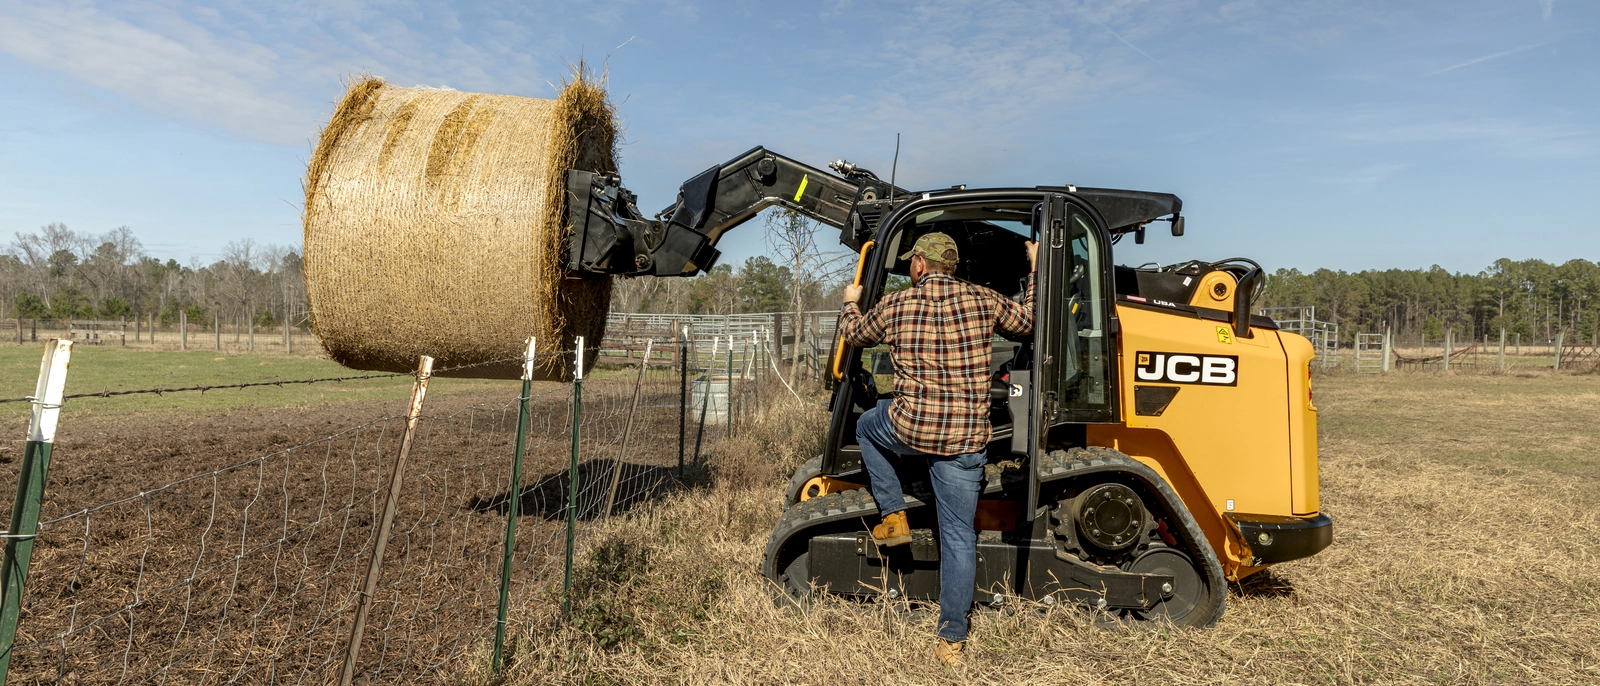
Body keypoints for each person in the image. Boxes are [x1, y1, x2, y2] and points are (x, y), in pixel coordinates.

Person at [838, 232, 1037, 667]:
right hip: (965, 440)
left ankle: (893, 514)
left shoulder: (896, 304)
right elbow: (1031, 321)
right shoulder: (984, 299)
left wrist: (851, 299)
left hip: (912, 429)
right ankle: (951, 641)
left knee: (869, 427)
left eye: (912, 262)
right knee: (959, 536)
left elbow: (854, 334)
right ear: (952, 266)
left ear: (921, 266)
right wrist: (1036, 269)